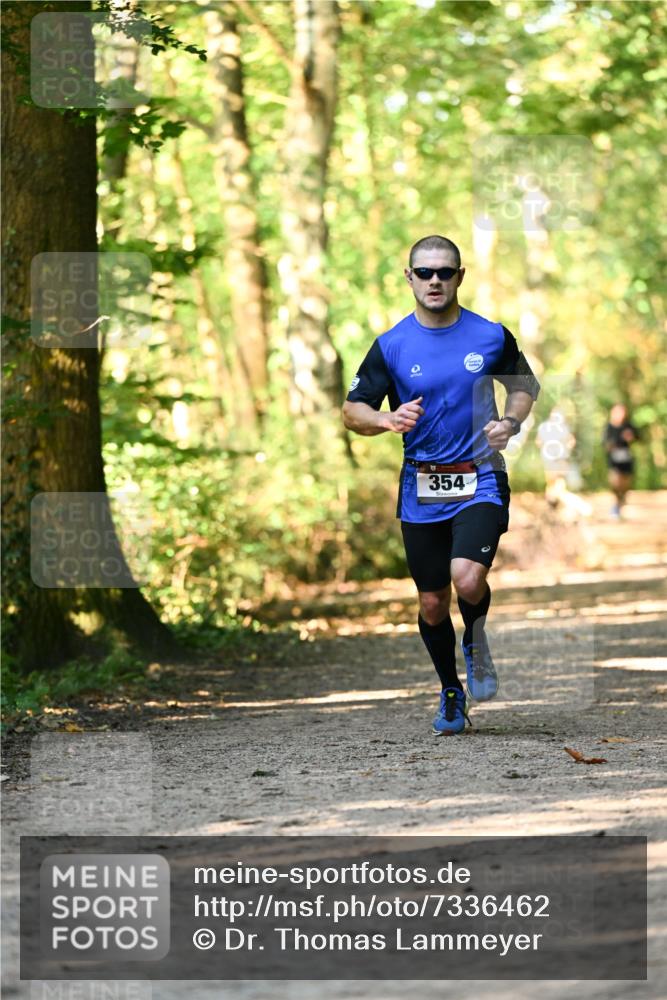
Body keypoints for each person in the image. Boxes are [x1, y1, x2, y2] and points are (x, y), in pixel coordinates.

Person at [342, 235, 540, 736]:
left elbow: (524, 387)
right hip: (421, 486)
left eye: (444, 272)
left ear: (460, 276)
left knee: (467, 578)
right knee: (431, 602)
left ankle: (474, 639)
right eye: (425, 272)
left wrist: (510, 424)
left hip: (482, 477)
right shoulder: (392, 344)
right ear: (409, 277)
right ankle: (451, 691)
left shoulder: (491, 335)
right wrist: (387, 421)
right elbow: (352, 410)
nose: (435, 281)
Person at [604, 403, 638, 518]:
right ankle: (616, 504)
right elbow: (605, 442)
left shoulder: (628, 425)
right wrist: (611, 445)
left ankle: (621, 501)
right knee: (615, 482)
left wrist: (631, 437)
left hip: (626, 459)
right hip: (614, 460)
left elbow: (638, 437)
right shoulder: (609, 427)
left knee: (625, 483)